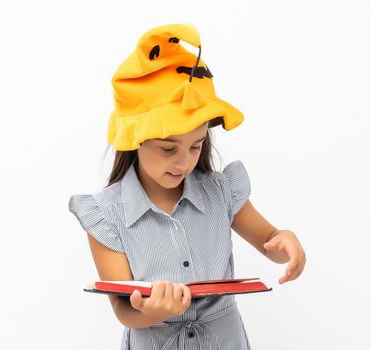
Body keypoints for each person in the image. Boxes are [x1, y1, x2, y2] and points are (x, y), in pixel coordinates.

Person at [68, 23, 306, 350]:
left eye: (196, 146)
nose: (184, 162)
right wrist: (151, 311)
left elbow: (268, 241)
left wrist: (284, 244)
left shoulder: (221, 192)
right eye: (168, 149)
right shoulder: (106, 217)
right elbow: (123, 310)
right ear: (134, 140)